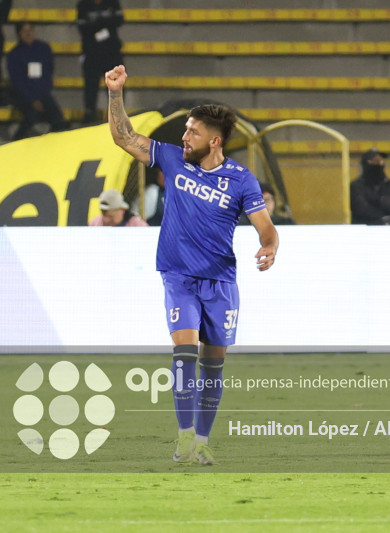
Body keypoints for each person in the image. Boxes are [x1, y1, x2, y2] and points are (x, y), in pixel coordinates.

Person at [105, 64, 278, 465]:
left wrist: (269, 247)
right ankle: (184, 439)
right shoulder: (170, 159)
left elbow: (266, 229)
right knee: (184, 350)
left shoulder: (241, 179)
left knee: (213, 365)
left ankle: (201, 441)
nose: (183, 137)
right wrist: (116, 94)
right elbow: (123, 136)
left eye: (192, 132)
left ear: (214, 141)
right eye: (185, 130)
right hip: (179, 276)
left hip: (220, 281)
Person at [6, 21, 68, 140]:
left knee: (58, 119)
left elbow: (48, 72)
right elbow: (17, 82)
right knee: (32, 116)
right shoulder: (14, 54)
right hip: (23, 95)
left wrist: (42, 95)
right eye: (25, 31)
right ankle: (16, 141)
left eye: (30, 30)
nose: (28, 34)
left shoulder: (44, 49)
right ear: (19, 34)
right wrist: (32, 99)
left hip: (43, 93)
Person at [76, 0, 124, 124]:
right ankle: (89, 116)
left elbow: (119, 21)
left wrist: (95, 24)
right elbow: (83, 28)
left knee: (115, 86)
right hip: (92, 53)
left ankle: (116, 118)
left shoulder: (112, 2)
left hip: (111, 52)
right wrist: (105, 23)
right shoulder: (83, 4)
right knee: (91, 89)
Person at [350, 148, 390, 225]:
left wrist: (378, 200)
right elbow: (361, 209)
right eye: (375, 161)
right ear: (366, 163)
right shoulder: (356, 186)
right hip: (365, 233)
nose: (379, 164)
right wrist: (386, 217)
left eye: (381, 161)